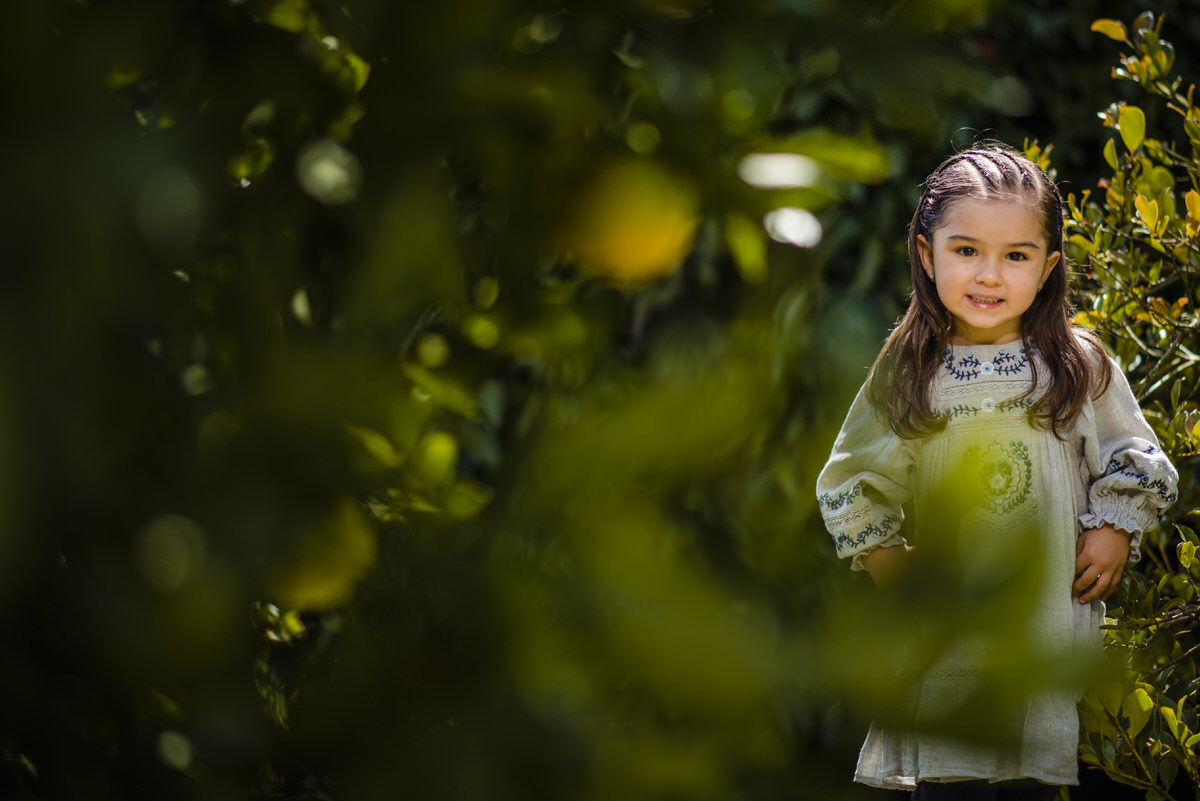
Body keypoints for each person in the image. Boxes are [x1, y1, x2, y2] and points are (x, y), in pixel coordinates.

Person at [815, 143, 1178, 801]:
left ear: (1048, 267)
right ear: (927, 254)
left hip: (1048, 627)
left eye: (1016, 255)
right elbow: (851, 478)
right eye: (966, 250)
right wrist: (888, 561)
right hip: (950, 635)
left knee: (1037, 776)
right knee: (951, 778)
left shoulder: (1075, 364)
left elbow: (1134, 454)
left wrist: (1116, 527)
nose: (989, 275)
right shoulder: (913, 371)